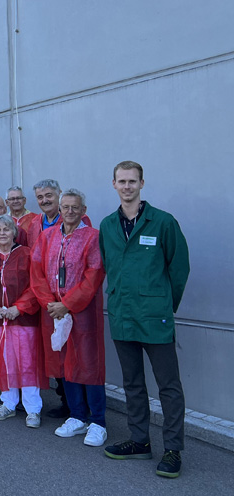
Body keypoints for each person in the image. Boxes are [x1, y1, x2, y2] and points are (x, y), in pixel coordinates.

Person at [99, 161, 190, 479]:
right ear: (113, 184)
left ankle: (173, 449)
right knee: (133, 384)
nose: (127, 186)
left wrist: (165, 305)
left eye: (132, 181)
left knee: (169, 387)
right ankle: (140, 442)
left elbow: (179, 270)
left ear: (142, 184)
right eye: (121, 181)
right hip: (122, 317)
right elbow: (109, 266)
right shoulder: (108, 225)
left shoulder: (162, 222)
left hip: (154, 319)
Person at [30, 189, 107, 447]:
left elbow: (94, 274)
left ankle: (98, 421)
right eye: (66, 207)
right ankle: (77, 416)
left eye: (75, 207)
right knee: (65, 363)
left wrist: (67, 304)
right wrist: (49, 303)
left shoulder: (93, 237)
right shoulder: (46, 236)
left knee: (88, 364)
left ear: (83, 211)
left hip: (83, 313)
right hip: (54, 312)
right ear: (59, 210)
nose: (70, 212)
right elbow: (37, 272)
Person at [0, 214, 46, 428]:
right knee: (4, 361)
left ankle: (33, 409)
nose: (3, 233)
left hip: (23, 320)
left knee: (27, 362)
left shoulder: (26, 254)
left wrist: (19, 308)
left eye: (7, 229)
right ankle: (8, 402)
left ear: (14, 233)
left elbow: (36, 284)